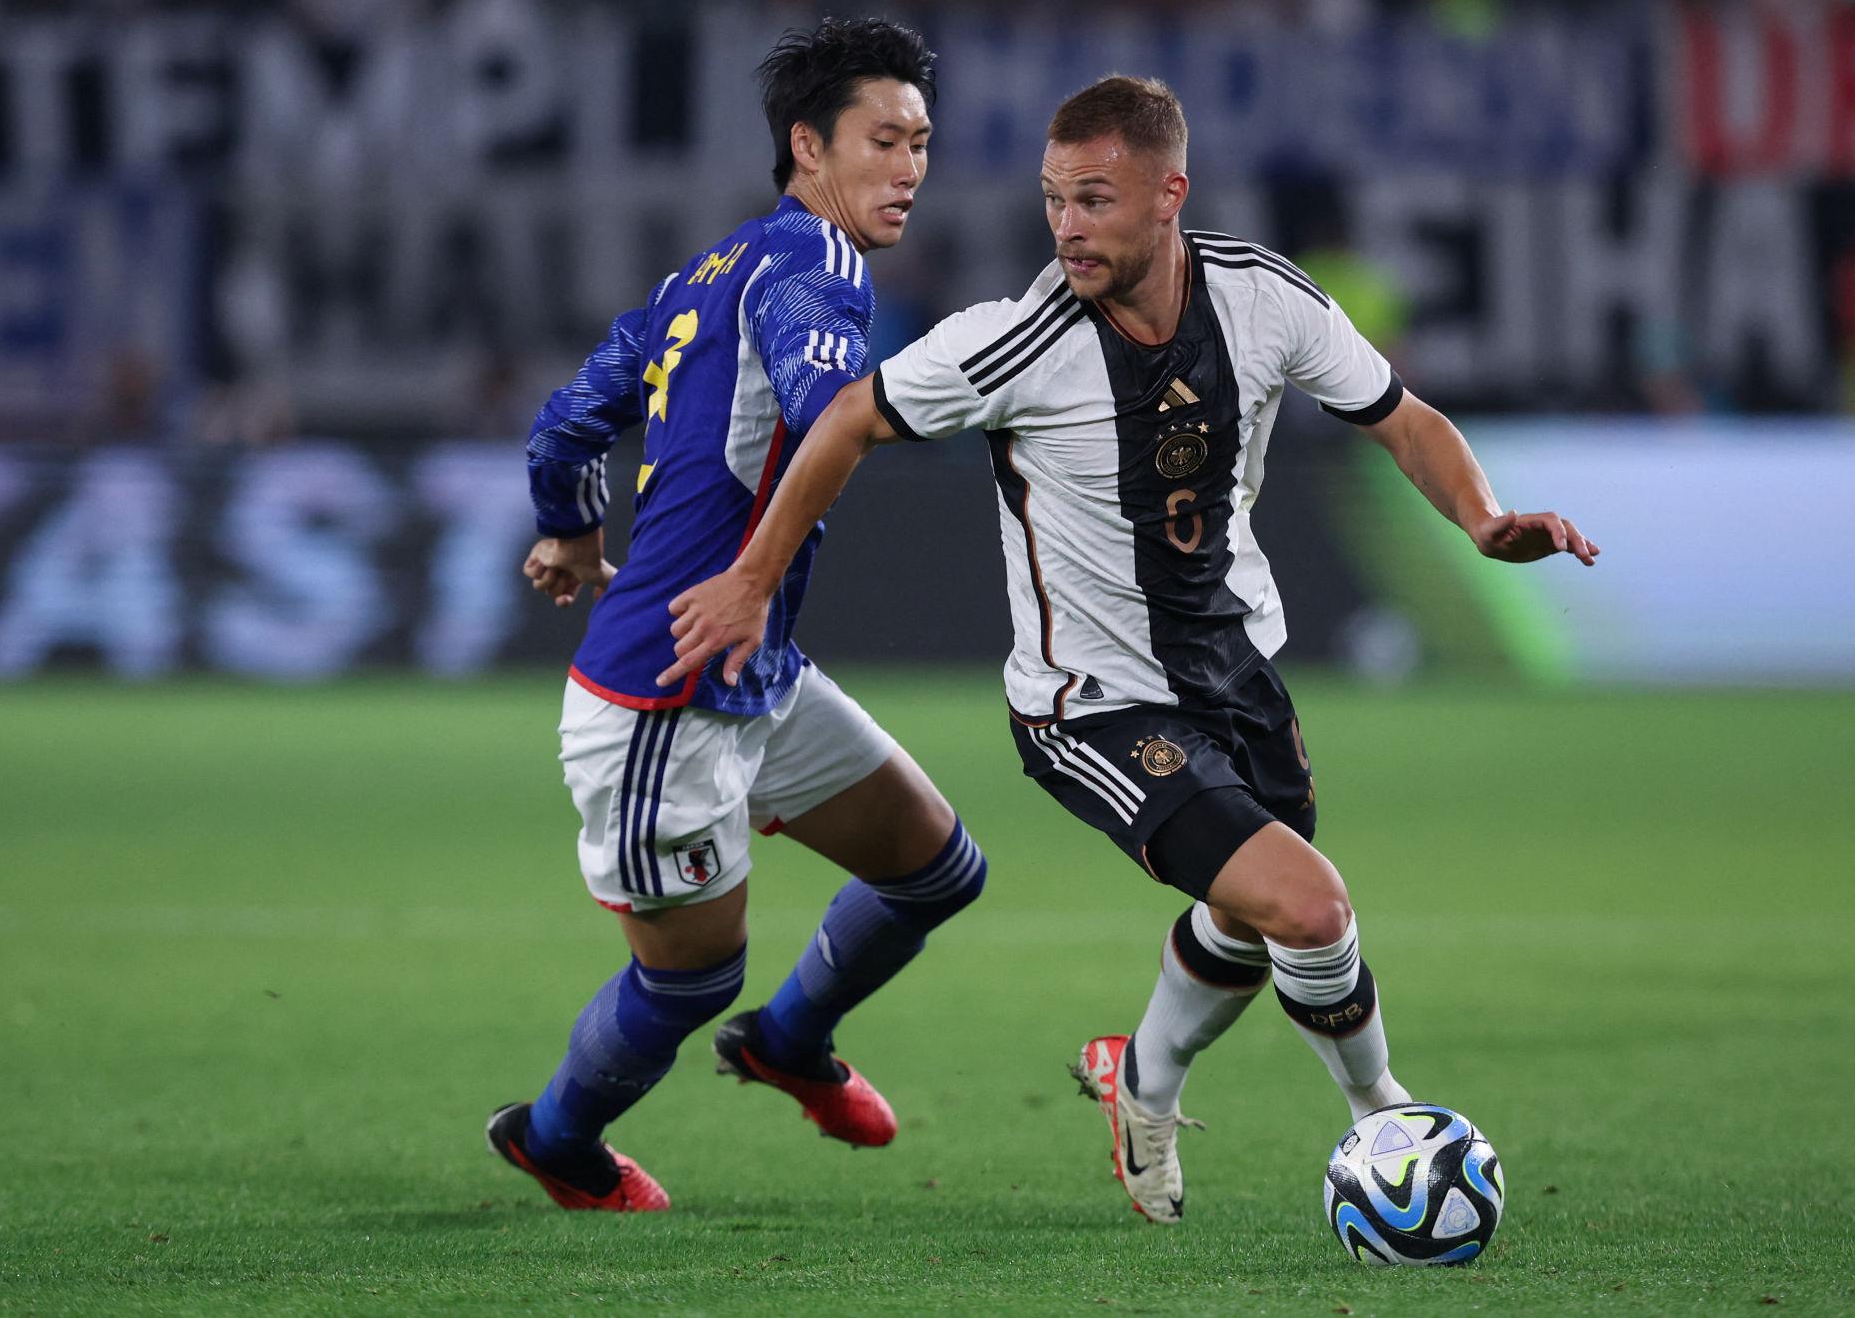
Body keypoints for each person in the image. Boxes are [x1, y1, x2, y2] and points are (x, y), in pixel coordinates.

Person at [661, 75, 1598, 1225]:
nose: (1066, 227)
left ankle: (1140, 1084)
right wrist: (752, 578)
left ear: (1168, 195)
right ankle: (1384, 1119)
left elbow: (1400, 418)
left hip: (1235, 671)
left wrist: (1481, 519)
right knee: (1307, 910)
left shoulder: (1260, 297)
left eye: (1093, 201)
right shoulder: (1014, 340)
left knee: (1249, 919)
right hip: (1090, 708)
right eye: (1052, 200)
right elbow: (850, 418)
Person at [493, 18, 989, 1213]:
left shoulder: (706, 275)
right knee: (689, 979)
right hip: (663, 694)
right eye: (883, 140)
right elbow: (838, 421)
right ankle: (554, 1140)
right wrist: (752, 578)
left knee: (934, 869)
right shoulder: (814, 271)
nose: (909, 168)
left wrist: (571, 526)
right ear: (806, 145)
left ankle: (788, 1042)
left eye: (921, 142)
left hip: (750, 671)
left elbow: (567, 419)